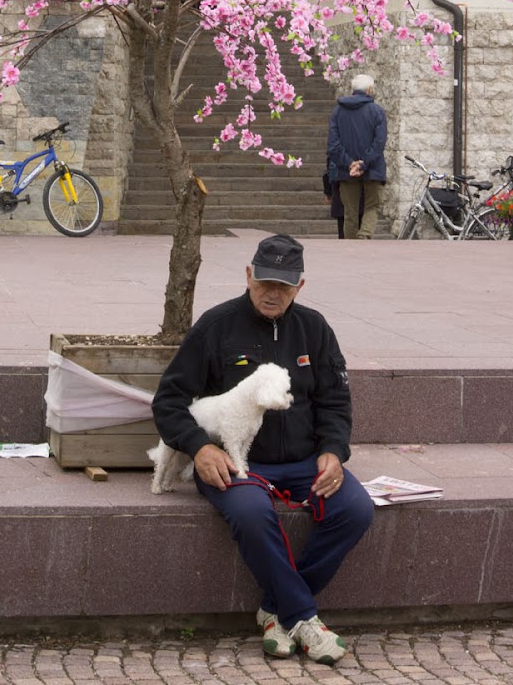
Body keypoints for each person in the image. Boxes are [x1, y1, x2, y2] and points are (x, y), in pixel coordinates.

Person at [151, 234, 373, 666]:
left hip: (306, 461)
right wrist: (198, 448)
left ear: (300, 286)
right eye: (265, 282)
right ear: (248, 275)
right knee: (252, 514)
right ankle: (304, 617)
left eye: (284, 286)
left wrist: (333, 450)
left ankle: (276, 610)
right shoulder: (216, 327)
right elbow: (168, 401)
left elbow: (334, 401)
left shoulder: (315, 329)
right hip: (232, 464)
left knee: (356, 509)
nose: (273, 293)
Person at [327, 73, 387, 239]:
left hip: (346, 171)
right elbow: (379, 142)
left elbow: (333, 144)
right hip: (373, 168)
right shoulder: (377, 111)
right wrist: (363, 164)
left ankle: (351, 246)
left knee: (350, 213)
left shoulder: (338, 111)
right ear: (369, 90)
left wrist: (349, 164)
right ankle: (364, 237)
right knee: (372, 206)